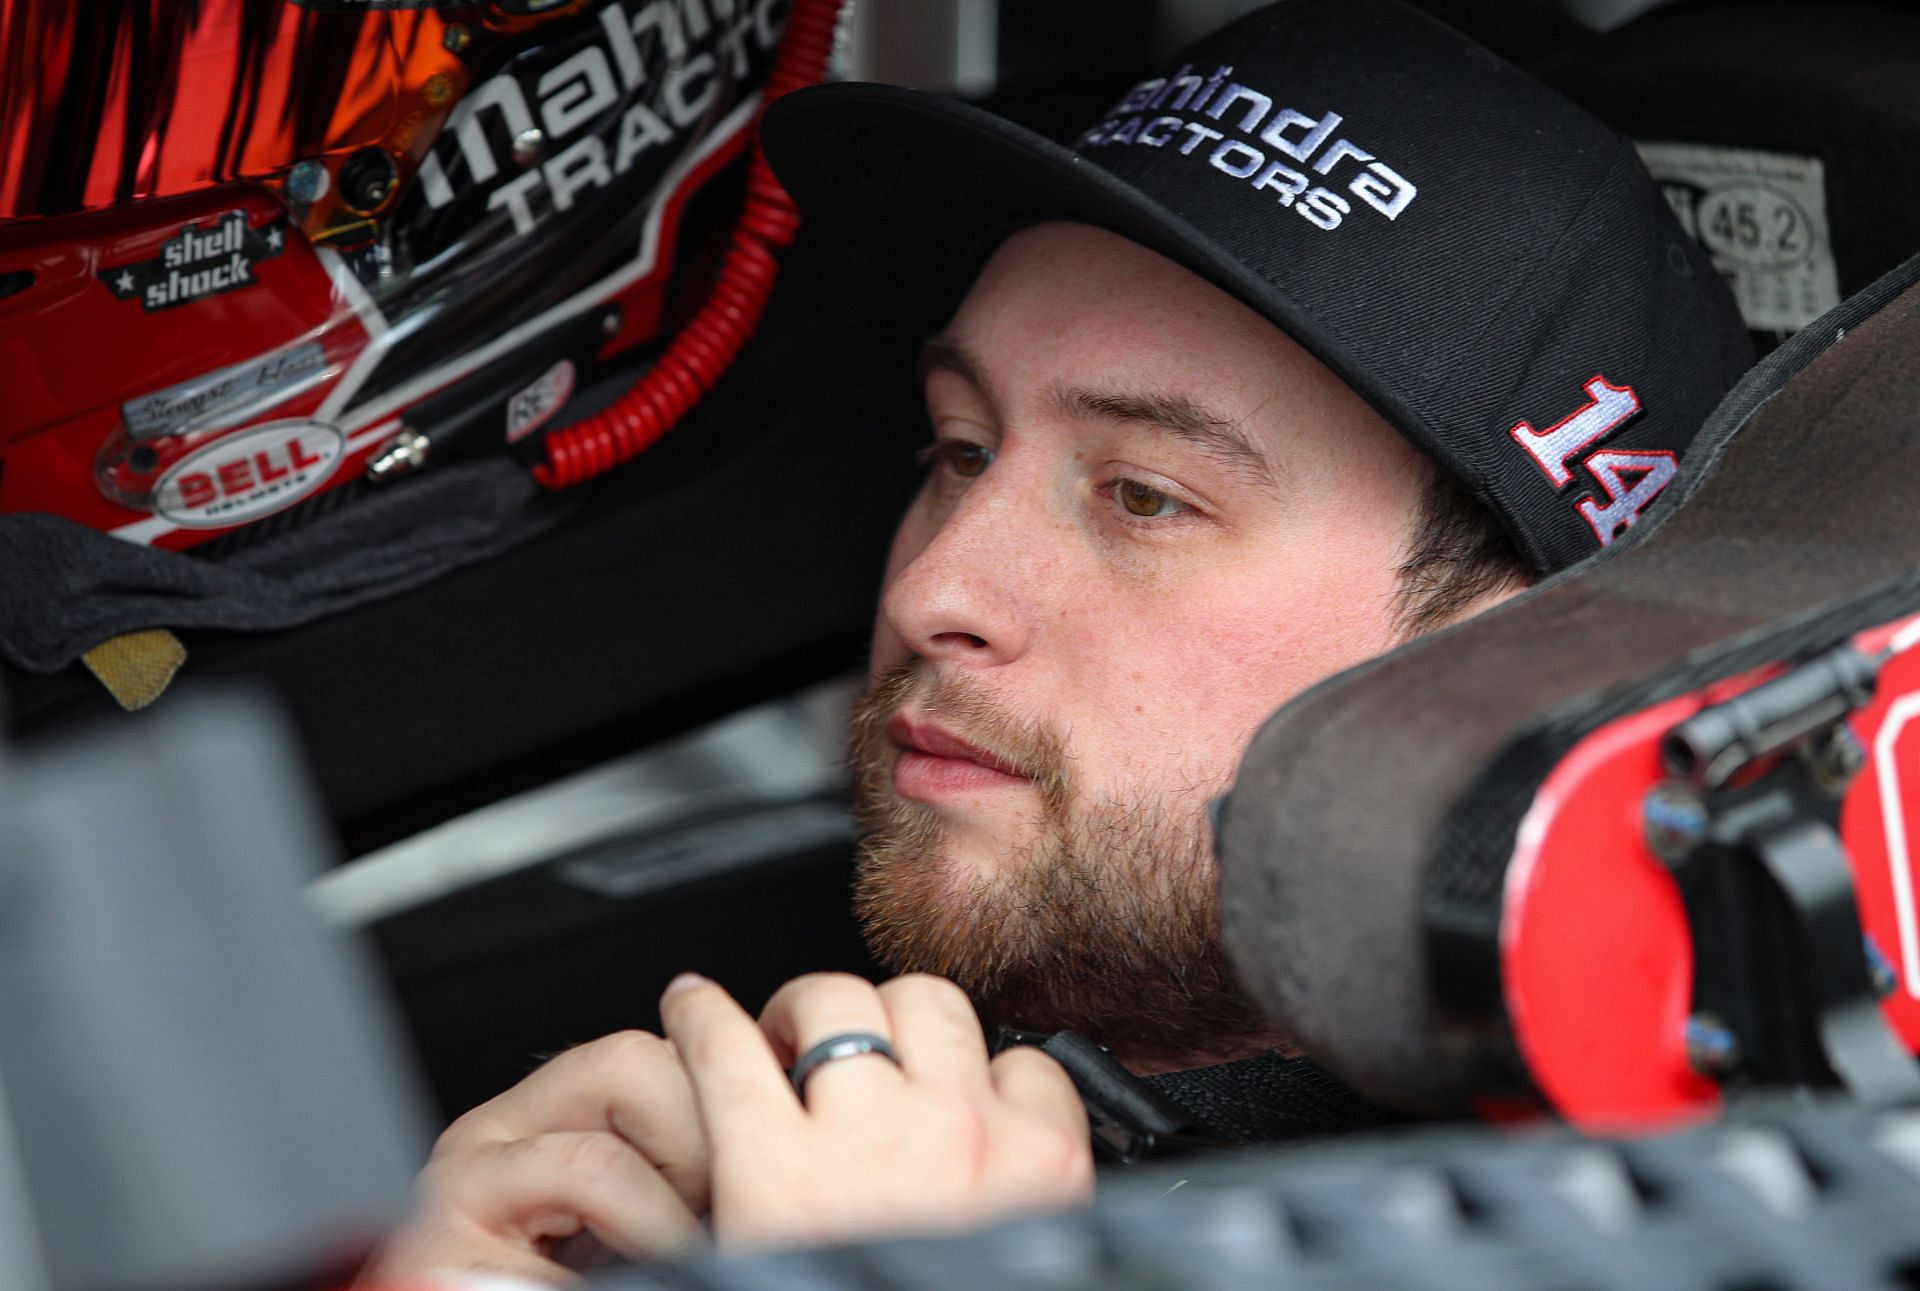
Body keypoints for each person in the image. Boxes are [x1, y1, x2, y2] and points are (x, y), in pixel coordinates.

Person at [367, 0, 1753, 1282]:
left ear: (1516, 659)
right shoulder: (678, 1140)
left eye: (1145, 497)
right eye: (960, 449)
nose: (935, 589)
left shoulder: (1713, 1227)